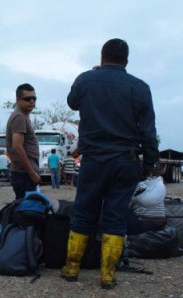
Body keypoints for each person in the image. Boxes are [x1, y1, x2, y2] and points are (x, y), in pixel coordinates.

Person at [60, 38, 159, 290]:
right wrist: (150, 163)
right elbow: (148, 130)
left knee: (83, 212)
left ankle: (72, 268)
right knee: (116, 217)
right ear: (126, 60)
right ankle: (107, 275)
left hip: (93, 160)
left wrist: (93, 74)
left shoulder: (86, 79)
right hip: (125, 162)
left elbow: (72, 102)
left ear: (101, 57)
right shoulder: (140, 87)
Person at [5, 83, 41, 200]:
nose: (32, 101)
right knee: (28, 212)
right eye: (27, 98)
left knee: (26, 211)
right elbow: (17, 147)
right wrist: (32, 173)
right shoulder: (19, 118)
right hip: (24, 174)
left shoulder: (22, 117)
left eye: (34, 98)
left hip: (22, 173)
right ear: (18, 100)